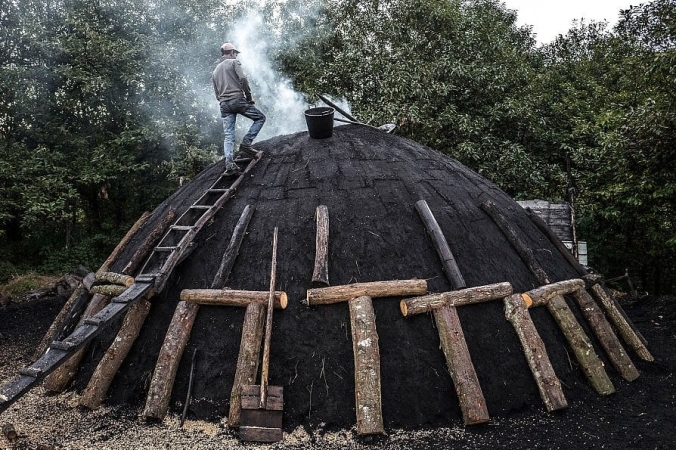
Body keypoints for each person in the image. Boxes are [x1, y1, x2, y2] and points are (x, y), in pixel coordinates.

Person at [212, 42, 266, 176]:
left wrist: (223, 100)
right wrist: (249, 97)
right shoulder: (234, 62)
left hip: (224, 104)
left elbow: (216, 93)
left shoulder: (215, 71)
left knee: (229, 135)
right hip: (238, 100)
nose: (235, 55)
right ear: (231, 53)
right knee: (260, 118)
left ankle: (229, 164)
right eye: (235, 53)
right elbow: (242, 78)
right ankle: (246, 143)